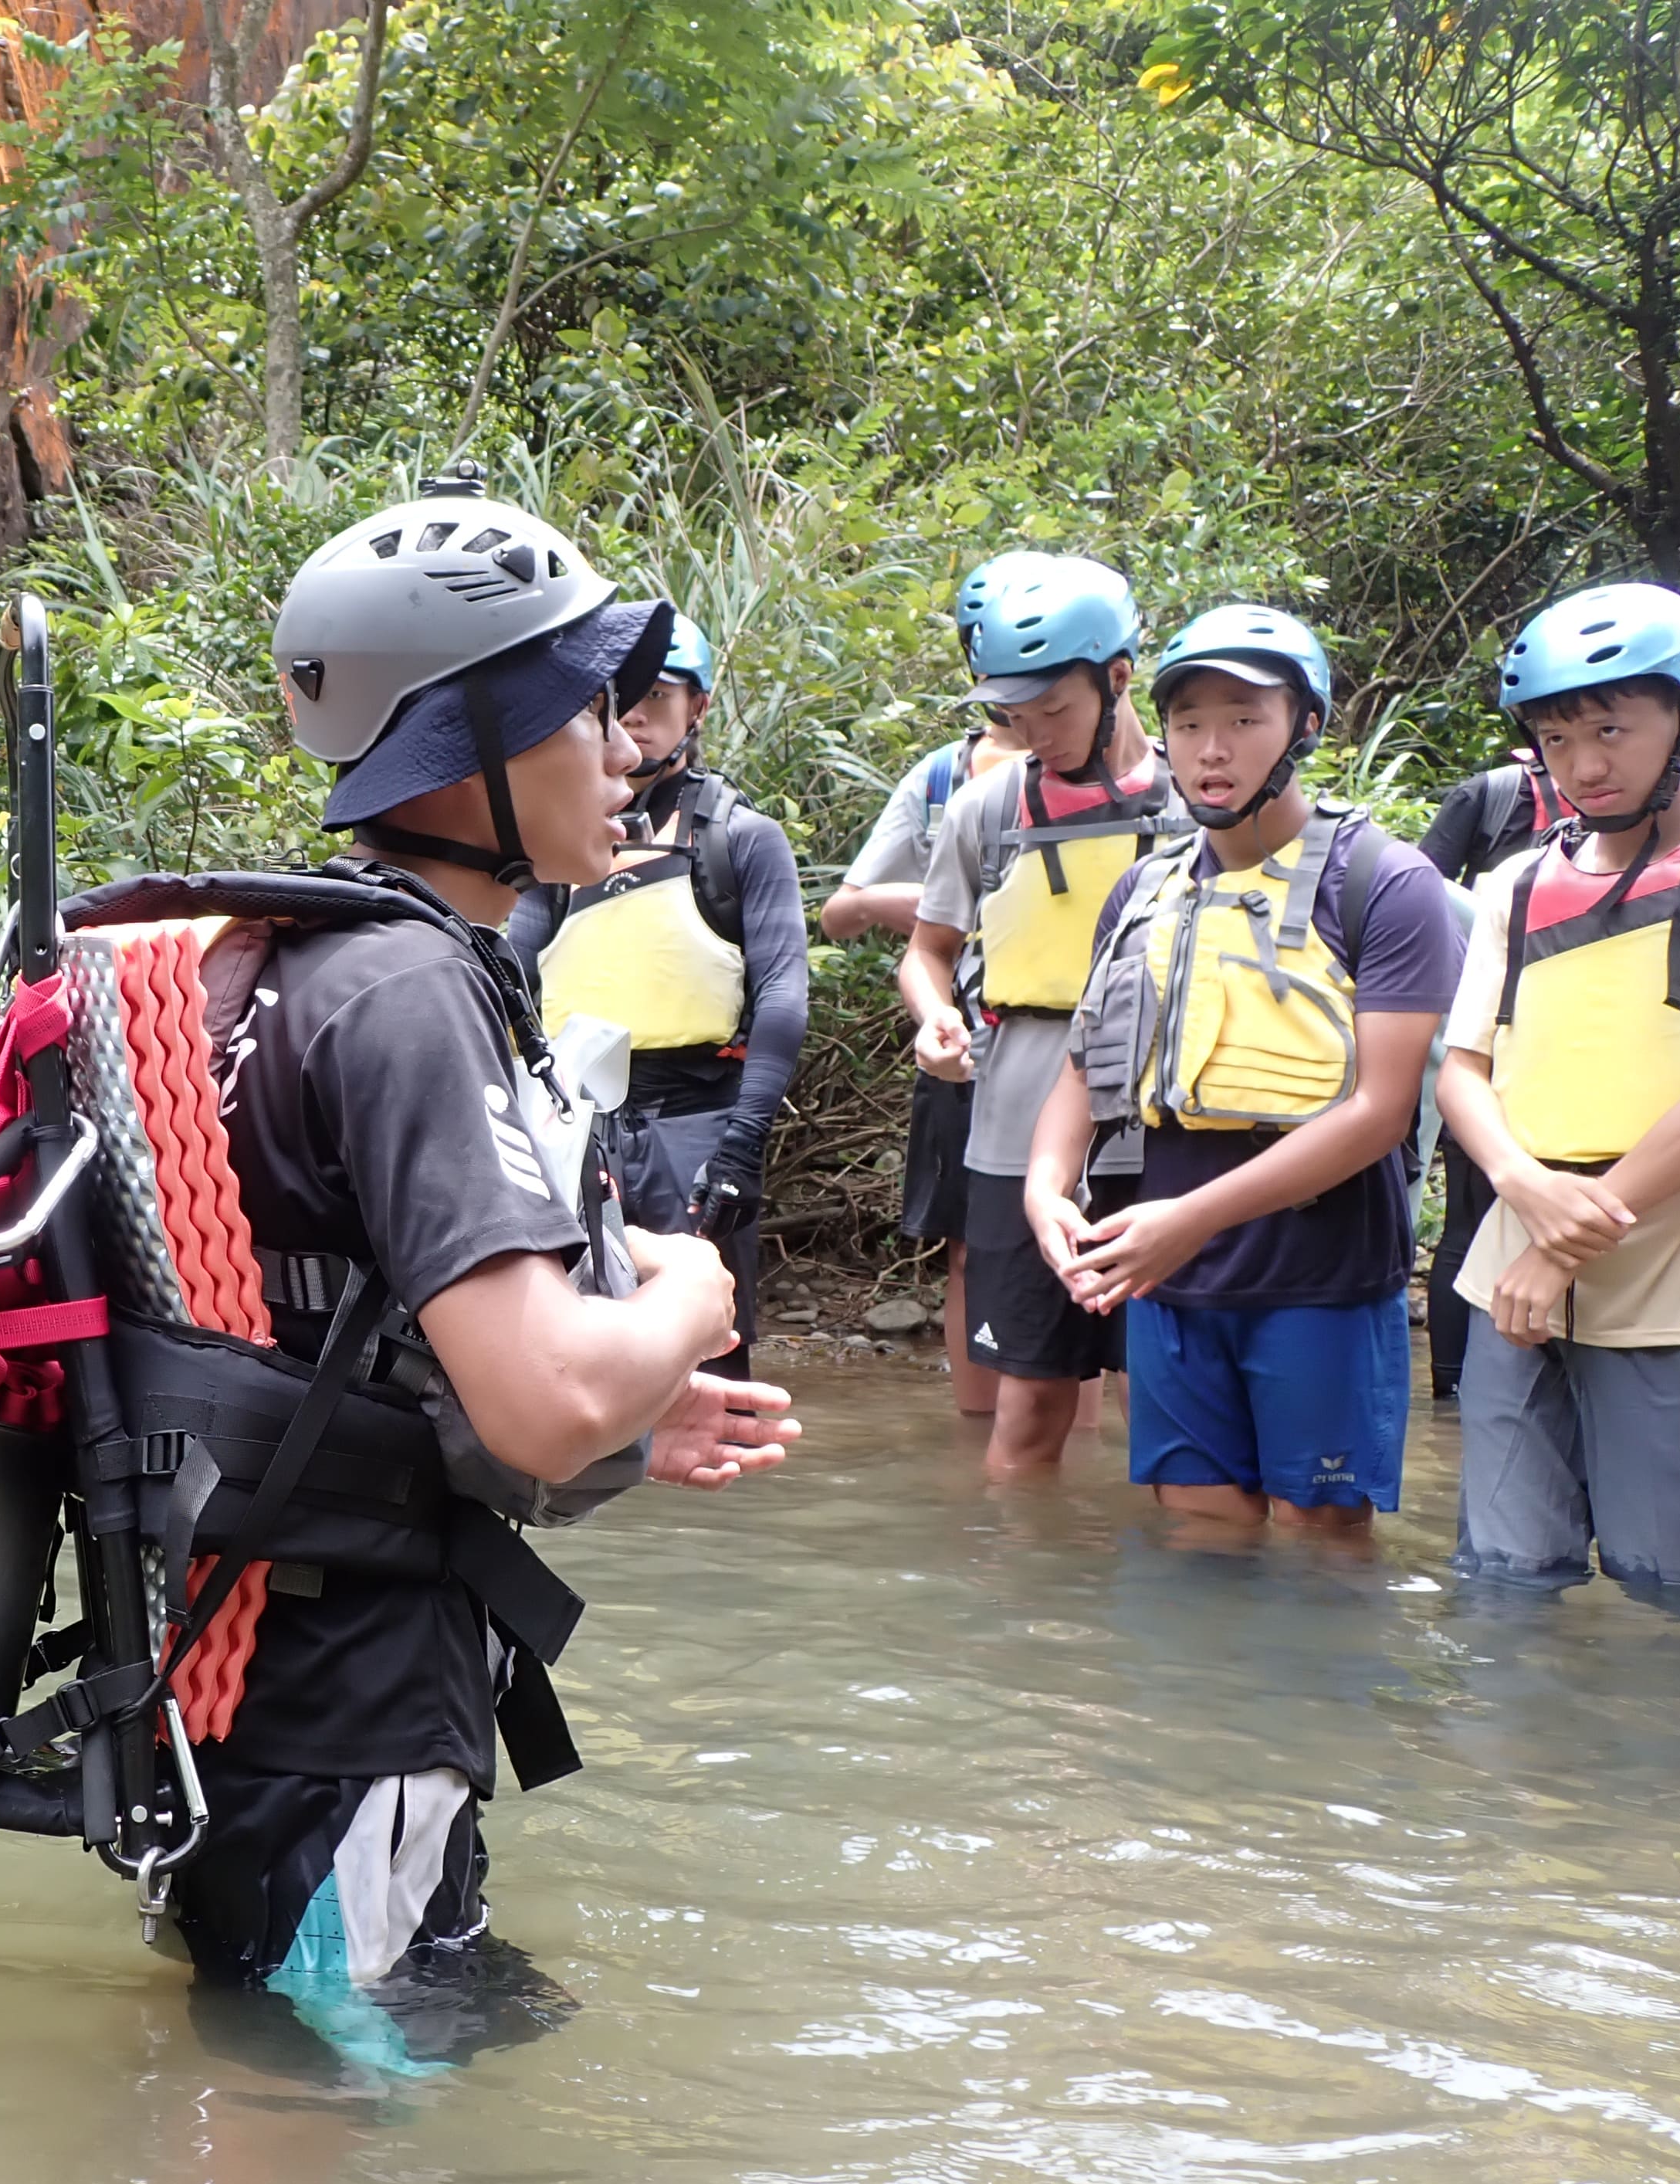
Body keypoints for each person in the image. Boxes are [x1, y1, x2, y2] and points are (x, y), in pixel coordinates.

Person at [166, 479, 800, 2058]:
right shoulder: (408, 995)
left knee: (315, 2075)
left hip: (232, 1682)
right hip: (348, 1700)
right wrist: (683, 1305)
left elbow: (320, 1345)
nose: (624, 749)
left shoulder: (273, 962)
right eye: (585, 710)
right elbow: (535, 1405)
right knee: (305, 2124)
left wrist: (634, 1421)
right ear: (473, 741)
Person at [1022, 606, 1460, 1526]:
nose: (1210, 750)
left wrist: (1190, 1221)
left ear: (1304, 726)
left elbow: (1382, 1110)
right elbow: (1086, 1062)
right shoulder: (1146, 888)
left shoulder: (1384, 881)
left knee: (1324, 1534)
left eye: (1243, 719)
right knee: (1198, 1521)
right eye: (1188, 724)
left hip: (1321, 1260)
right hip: (1166, 1261)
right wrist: (1044, 1186)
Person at [1434, 581, 1680, 1591]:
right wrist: (1522, 1185)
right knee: (1504, 1584)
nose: (1585, 765)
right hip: (1515, 1270)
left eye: (1611, 729)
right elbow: (1462, 1066)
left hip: (1676, 1287)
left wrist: (1569, 1235)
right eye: (1556, 740)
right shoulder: (1512, 882)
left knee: (1675, 1584)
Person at [900, 554, 1167, 1475]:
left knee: (1165, 1402)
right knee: (1026, 1408)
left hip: (1161, 1128)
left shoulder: (1193, 807)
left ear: (1117, 678)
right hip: (1014, 1118)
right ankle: (1012, 1597)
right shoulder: (984, 809)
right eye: (1013, 715)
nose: (1033, 733)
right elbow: (928, 950)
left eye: (1052, 709)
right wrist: (936, 1017)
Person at [510, 617, 810, 1378]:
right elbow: (507, 971)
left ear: (697, 708)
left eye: (654, 694)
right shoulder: (555, 846)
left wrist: (742, 1145)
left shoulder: (740, 838)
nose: (632, 713)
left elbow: (781, 994)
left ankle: (707, 1489)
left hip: (697, 1123)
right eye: (611, 698)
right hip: (575, 1126)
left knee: (705, 1355)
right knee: (576, 1348)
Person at [826, 574, 1036, 1416]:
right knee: (970, 1248)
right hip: (962, 1038)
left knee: (1085, 1249)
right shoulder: (942, 778)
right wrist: (932, 905)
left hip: (1079, 1043)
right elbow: (841, 912)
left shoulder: (1121, 781)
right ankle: (978, 1438)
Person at [1414, 749, 1577, 1397]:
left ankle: (1474, 1392)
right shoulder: (1492, 794)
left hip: (1566, 1047)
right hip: (1484, 1036)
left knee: (1476, 1218)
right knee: (1471, 1214)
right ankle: (1453, 1389)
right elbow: (1415, 898)